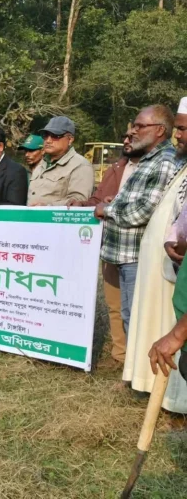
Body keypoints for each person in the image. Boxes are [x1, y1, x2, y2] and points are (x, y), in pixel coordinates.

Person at [123, 97, 187, 413]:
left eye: (183, 129)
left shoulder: (168, 162)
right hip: (161, 258)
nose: (179, 135)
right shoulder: (181, 162)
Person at [96, 105, 180, 338]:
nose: (132, 131)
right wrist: (117, 200)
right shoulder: (147, 160)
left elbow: (142, 211)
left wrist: (108, 209)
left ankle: (142, 374)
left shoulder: (164, 160)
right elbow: (138, 201)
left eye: (139, 126)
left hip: (136, 258)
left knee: (138, 322)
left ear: (160, 131)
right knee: (129, 317)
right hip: (123, 256)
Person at [68, 132, 134, 364]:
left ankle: (136, 358)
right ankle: (120, 355)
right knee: (115, 304)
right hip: (111, 245)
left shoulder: (151, 168)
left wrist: (110, 206)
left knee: (134, 308)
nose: (127, 140)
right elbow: (97, 200)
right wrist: (83, 205)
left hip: (136, 249)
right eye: (126, 135)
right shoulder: (116, 167)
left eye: (134, 134)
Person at [29, 116, 94, 206]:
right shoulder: (42, 163)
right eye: (45, 135)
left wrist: (47, 207)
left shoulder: (80, 165)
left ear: (70, 139)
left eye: (55, 136)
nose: (48, 140)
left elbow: (77, 201)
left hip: (54, 219)